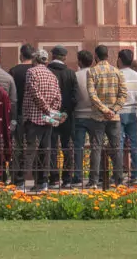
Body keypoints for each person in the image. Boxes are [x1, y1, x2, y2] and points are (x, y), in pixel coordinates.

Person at [86, 45, 127, 188]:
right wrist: (113, 110)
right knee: (116, 148)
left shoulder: (92, 71)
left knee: (96, 148)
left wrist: (104, 110)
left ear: (96, 56)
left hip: (98, 116)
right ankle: (119, 180)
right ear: (107, 56)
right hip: (114, 117)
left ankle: (94, 181)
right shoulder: (117, 72)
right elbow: (123, 94)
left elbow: (92, 95)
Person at [22, 49, 61, 192]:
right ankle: (42, 182)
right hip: (48, 119)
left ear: (35, 60)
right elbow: (58, 97)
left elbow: (34, 93)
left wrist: (45, 109)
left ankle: (29, 180)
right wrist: (51, 112)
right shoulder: (52, 75)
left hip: (34, 117)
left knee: (32, 151)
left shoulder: (31, 72)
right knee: (45, 150)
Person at [47, 45, 78, 188]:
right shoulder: (71, 73)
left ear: (52, 56)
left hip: (50, 115)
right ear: (64, 57)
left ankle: (53, 178)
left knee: (51, 146)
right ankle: (67, 179)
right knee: (67, 146)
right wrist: (66, 112)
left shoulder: (46, 71)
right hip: (66, 116)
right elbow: (75, 97)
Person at [8, 44, 35, 188]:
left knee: (17, 147)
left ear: (21, 55)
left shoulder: (13, 71)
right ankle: (31, 176)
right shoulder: (35, 71)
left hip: (17, 113)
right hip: (33, 114)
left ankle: (16, 178)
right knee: (32, 146)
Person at [117, 49, 137, 186]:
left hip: (120, 112)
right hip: (133, 112)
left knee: (120, 144)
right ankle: (135, 175)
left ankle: (119, 174)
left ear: (120, 60)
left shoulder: (118, 74)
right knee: (134, 145)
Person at [71, 50, 96, 188]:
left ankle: (78, 176)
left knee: (78, 147)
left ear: (79, 61)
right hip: (94, 115)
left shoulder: (75, 75)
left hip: (79, 115)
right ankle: (95, 176)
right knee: (95, 147)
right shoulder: (95, 74)